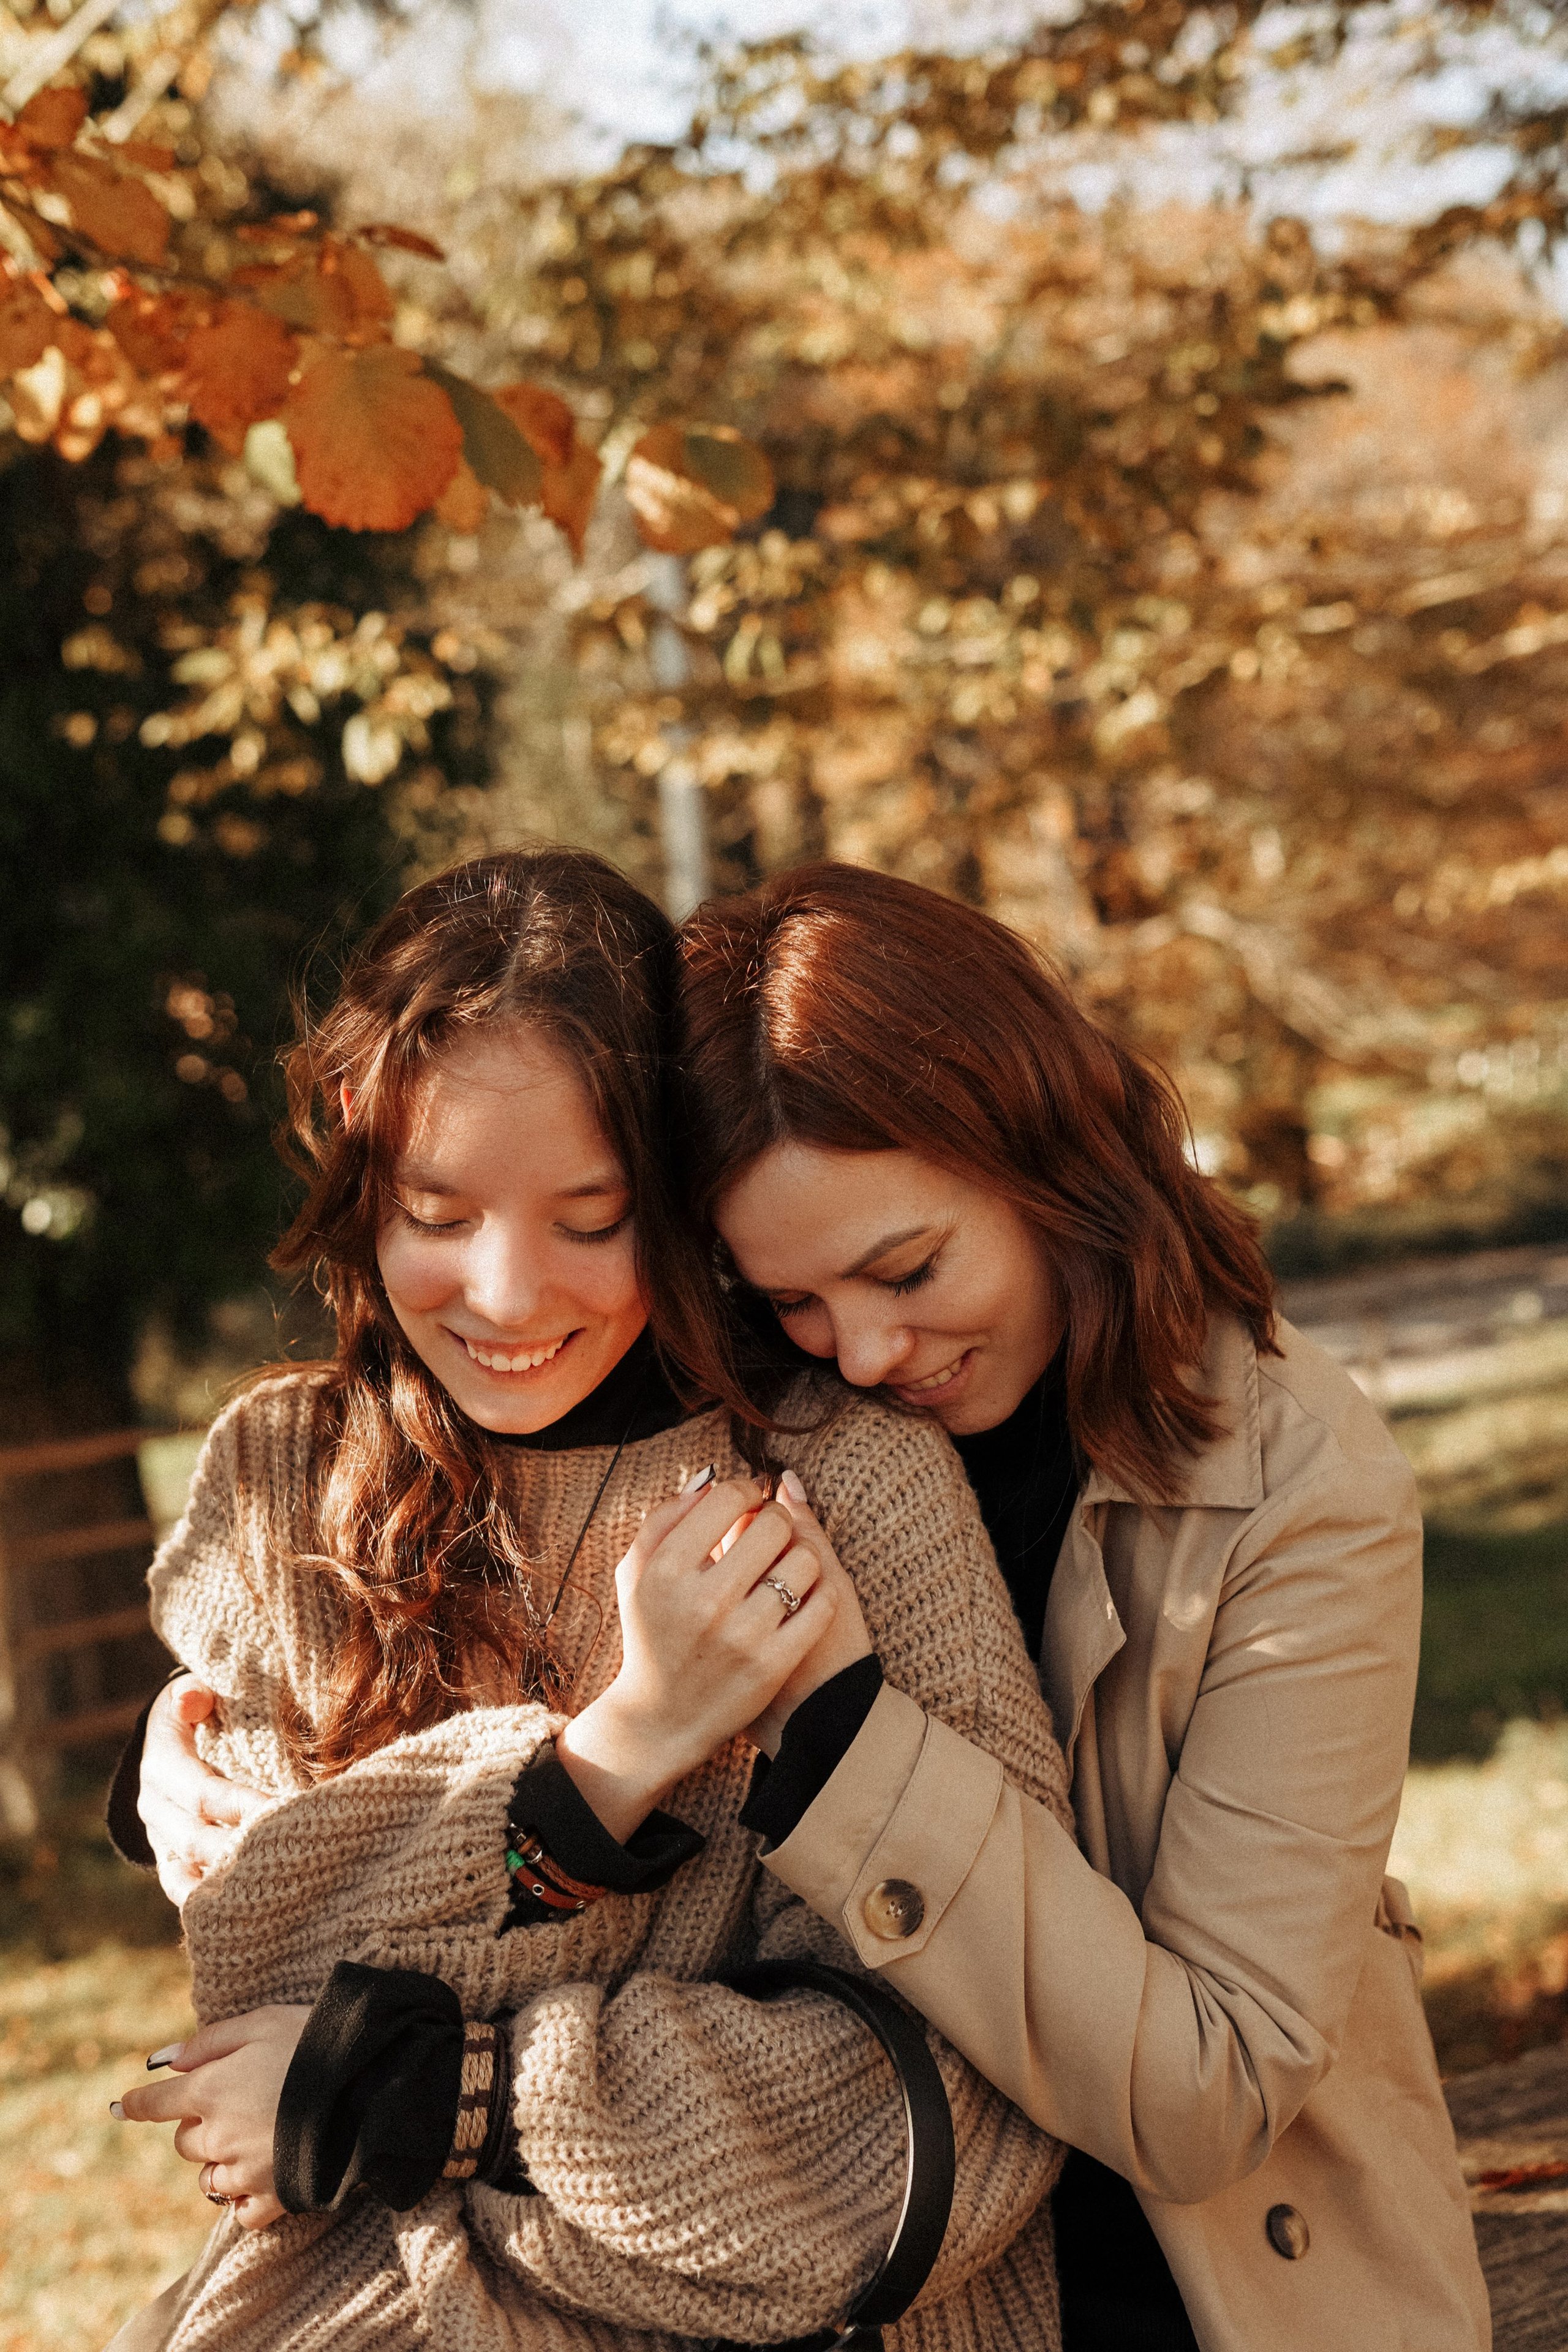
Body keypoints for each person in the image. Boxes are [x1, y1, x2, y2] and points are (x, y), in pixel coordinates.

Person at [106, 850, 1070, 2352]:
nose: (504, 1294)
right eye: (435, 1210)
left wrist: (451, 2095)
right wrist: (615, 1757)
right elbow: (270, 2008)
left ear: (679, 1198)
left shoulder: (842, 1481)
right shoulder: (286, 1478)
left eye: (589, 1214)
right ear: (360, 1176)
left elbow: (961, 2095)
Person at [650, 861, 1489, 2352]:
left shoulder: (1298, 1482)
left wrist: (849, 1743)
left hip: (1218, 2298)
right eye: (791, 1302)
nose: (859, 1351)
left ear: (1049, 1157)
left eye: (903, 1267)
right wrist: (203, 1751)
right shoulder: (760, 1435)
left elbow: (1210, 2089)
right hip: (881, 2270)